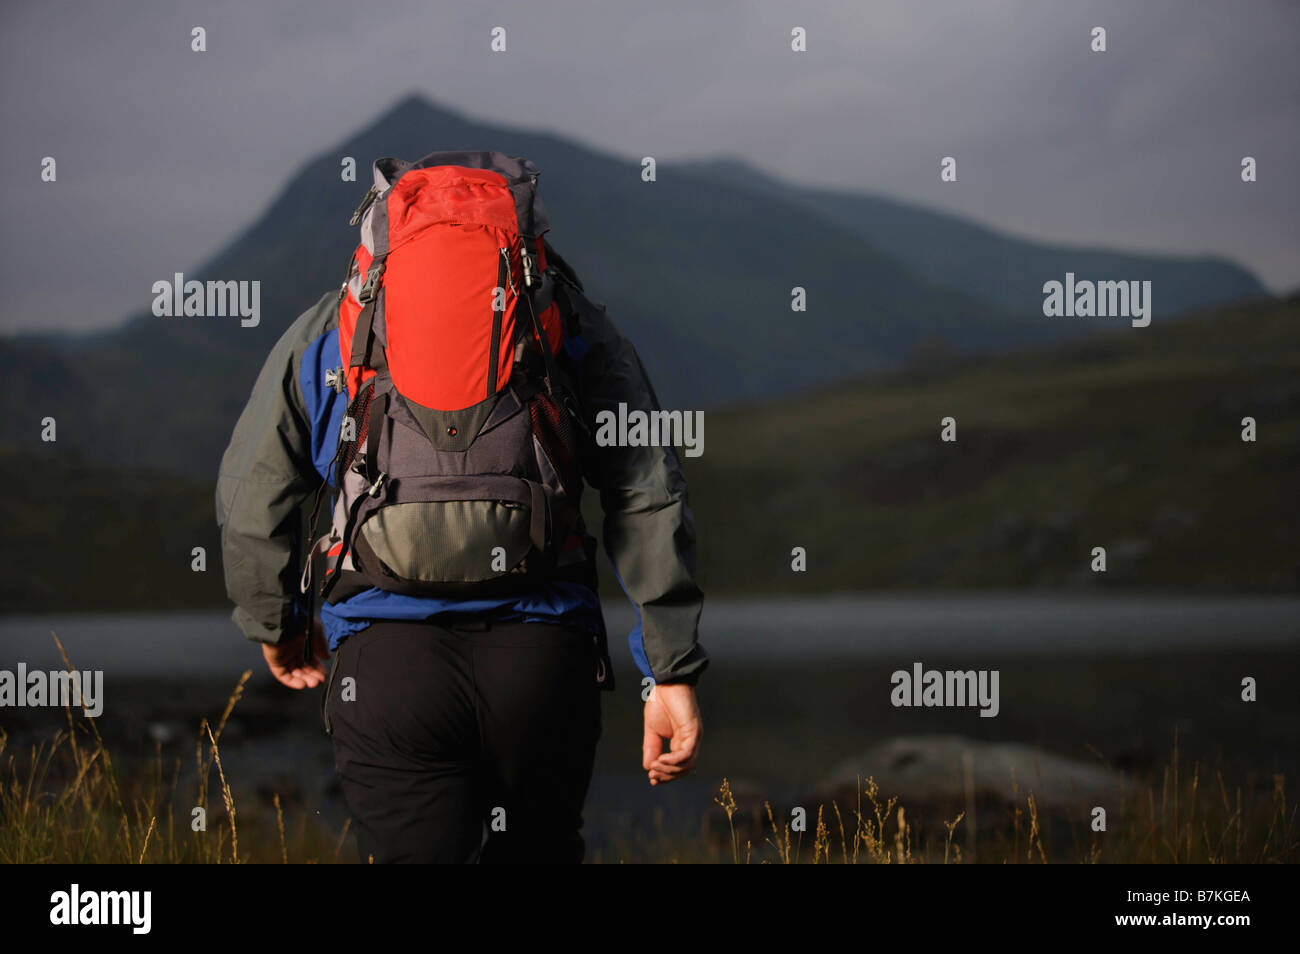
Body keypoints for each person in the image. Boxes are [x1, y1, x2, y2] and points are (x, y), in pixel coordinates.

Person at [215, 169, 708, 862]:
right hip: (541, 663)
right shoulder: (566, 320)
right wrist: (670, 669)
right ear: (522, 237)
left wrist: (278, 625)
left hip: (385, 668)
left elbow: (251, 497)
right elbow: (647, 487)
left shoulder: (334, 328)